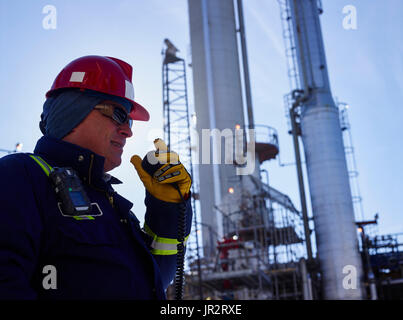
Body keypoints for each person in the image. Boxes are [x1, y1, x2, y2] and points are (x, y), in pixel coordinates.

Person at [0, 55, 192, 300]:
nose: (128, 131)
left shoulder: (113, 206)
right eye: (119, 115)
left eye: (130, 120)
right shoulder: (20, 177)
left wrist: (170, 211)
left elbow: (156, 279)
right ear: (73, 110)